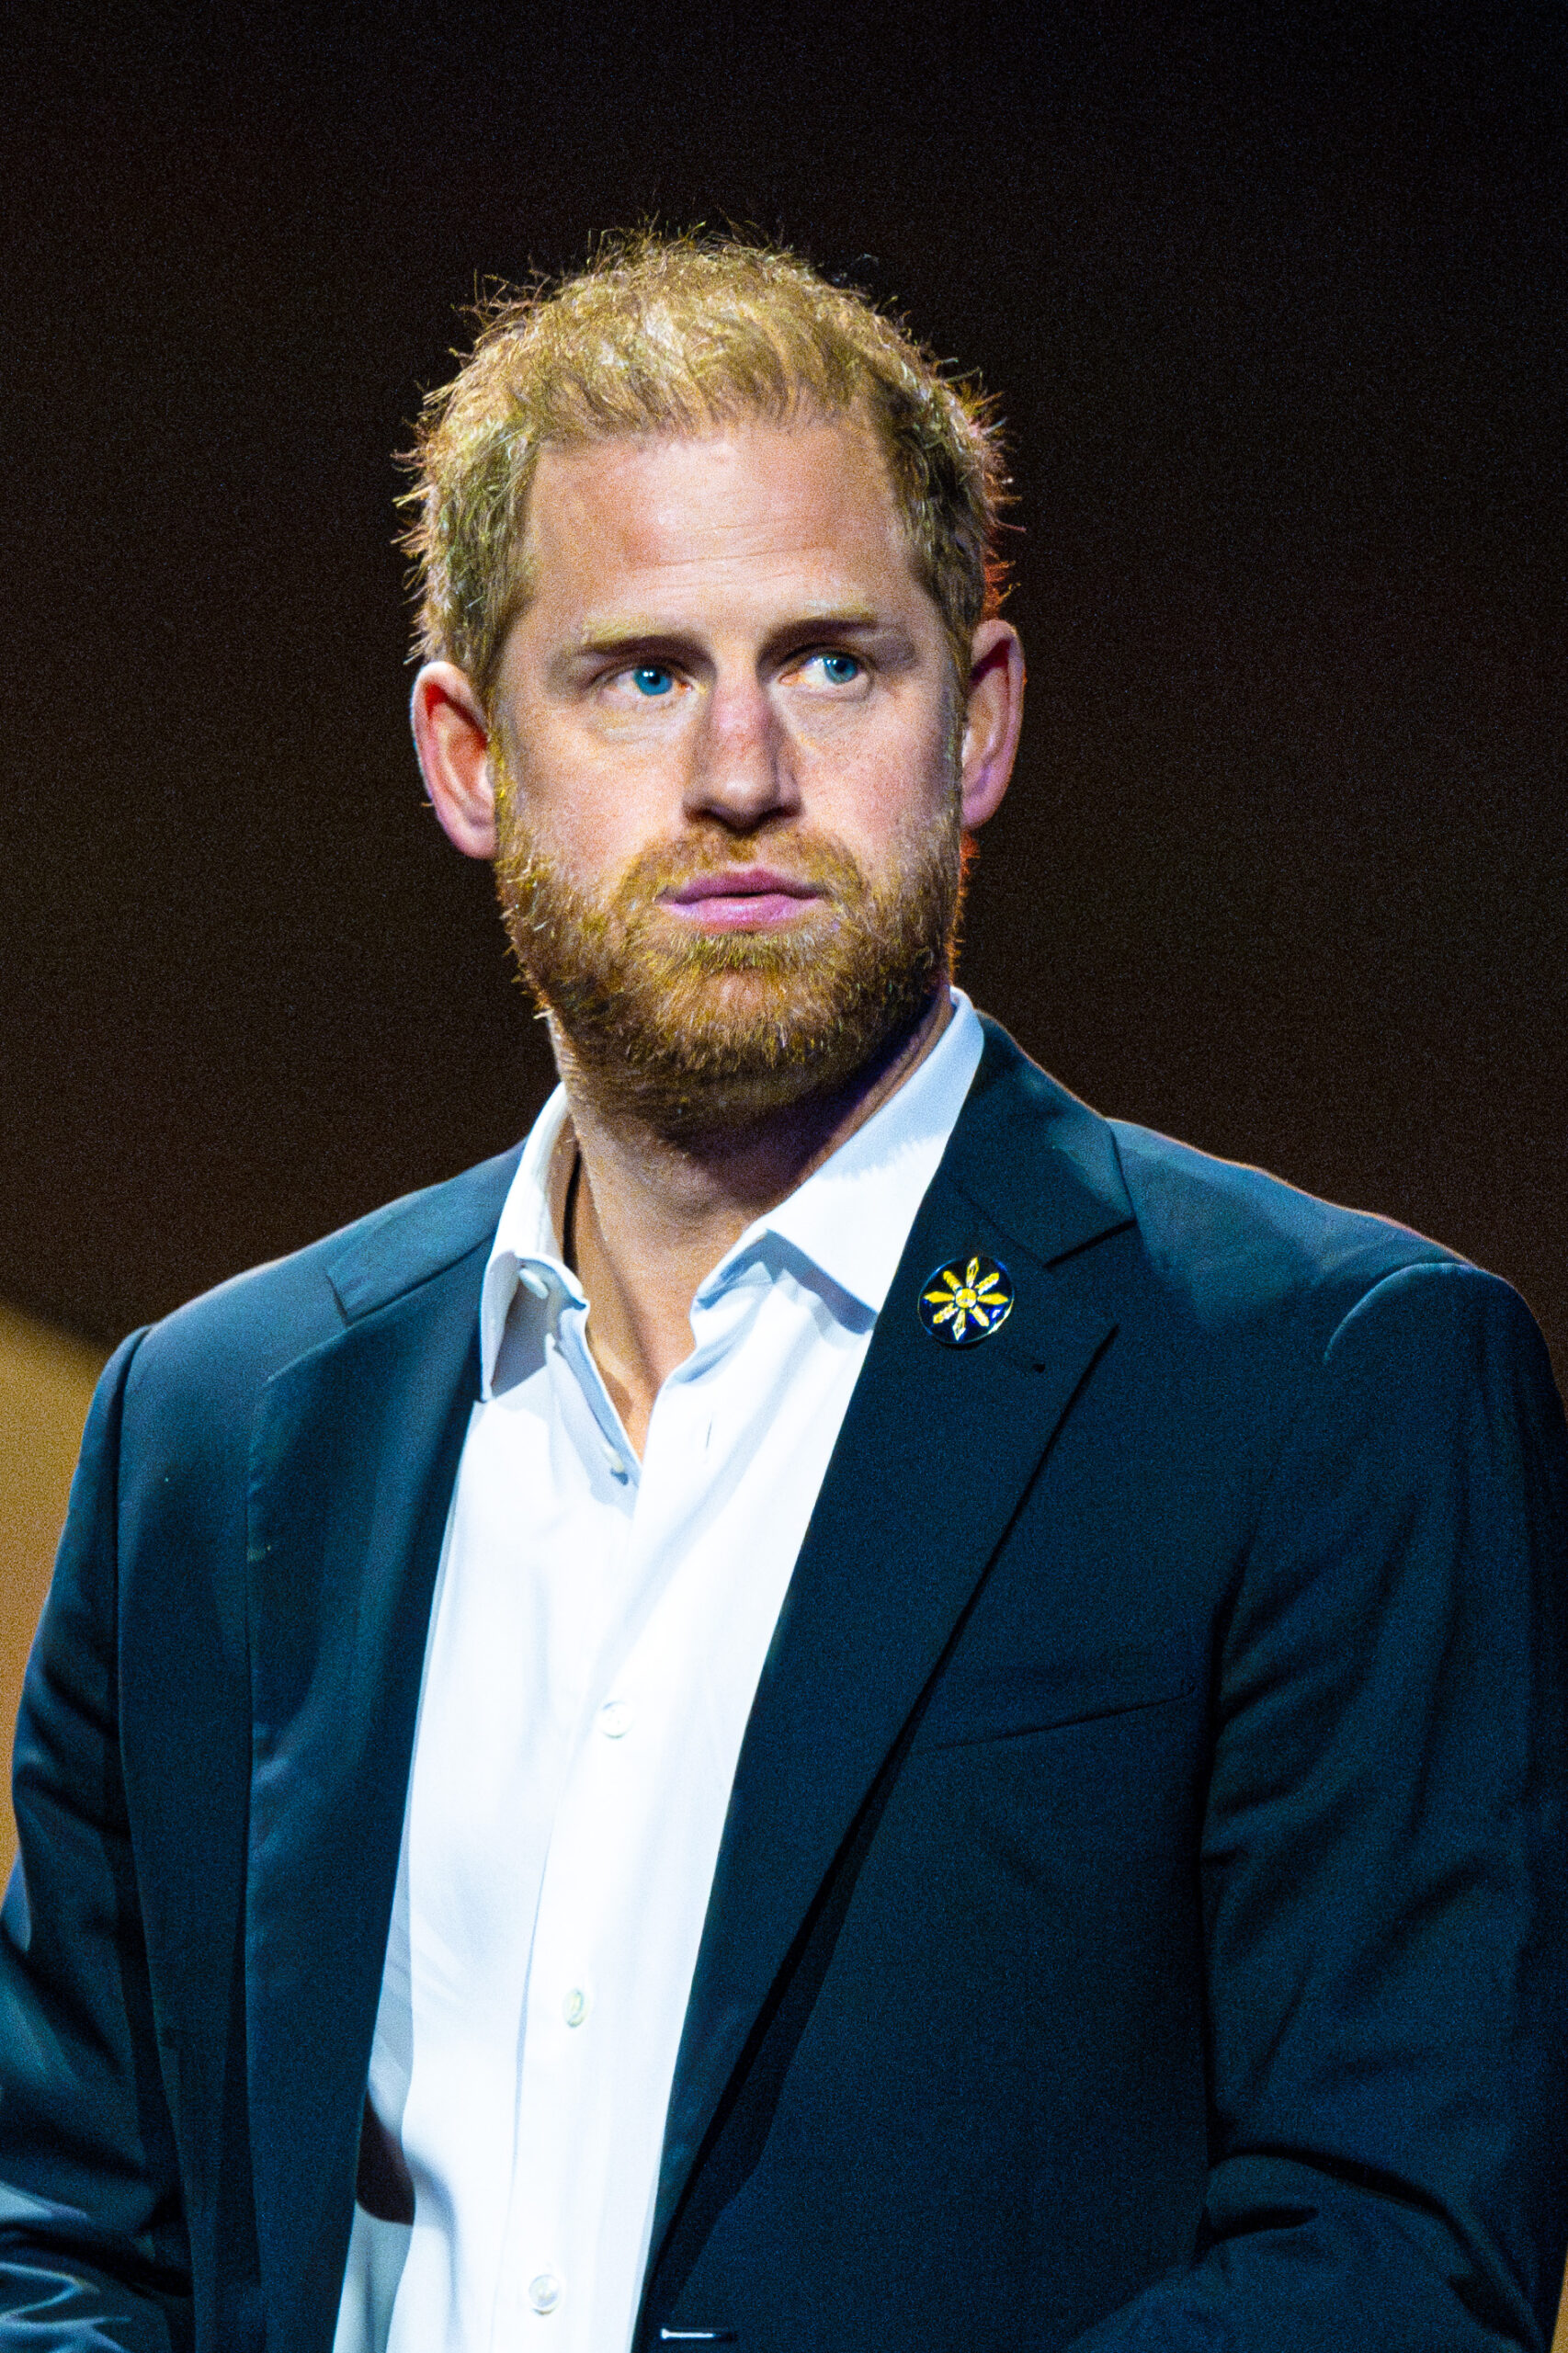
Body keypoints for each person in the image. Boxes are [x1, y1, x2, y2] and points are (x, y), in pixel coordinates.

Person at [1, 233, 1565, 2353]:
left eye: (835, 661)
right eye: (639, 673)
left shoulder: (1319, 1388)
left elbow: (1391, 2256)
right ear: (469, 754)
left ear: (979, 721)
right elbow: (69, 2229)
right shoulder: (220, 1422)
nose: (741, 768)